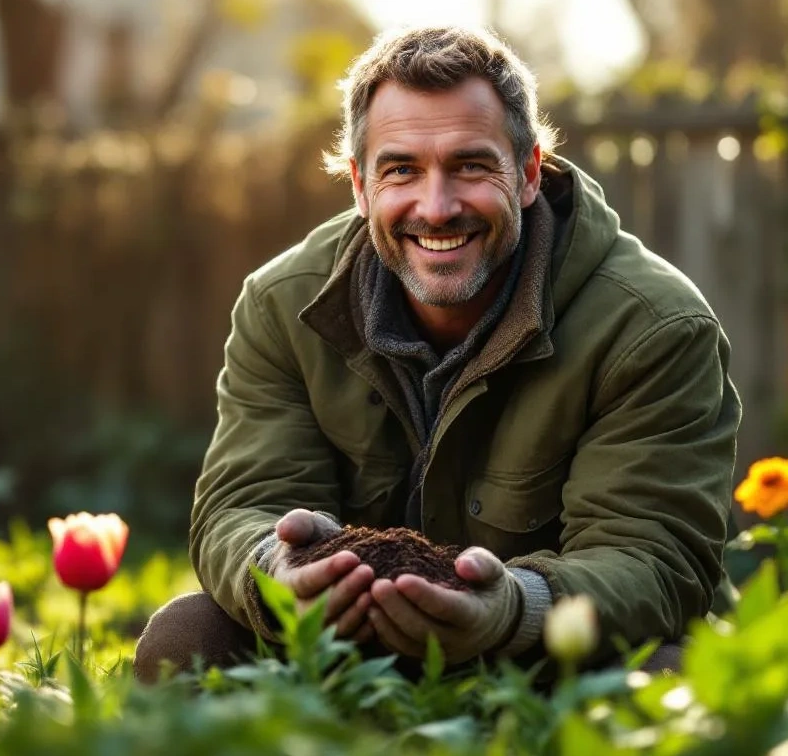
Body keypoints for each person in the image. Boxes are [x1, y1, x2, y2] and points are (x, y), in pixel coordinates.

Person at [133, 24, 741, 684]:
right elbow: (241, 505)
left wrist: (513, 610)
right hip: (347, 649)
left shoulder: (653, 326)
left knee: (669, 682)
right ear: (360, 186)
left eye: (471, 166)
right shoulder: (282, 305)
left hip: (546, 658)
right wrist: (278, 571)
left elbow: (652, 558)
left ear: (528, 173)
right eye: (401, 170)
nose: (437, 206)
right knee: (186, 637)